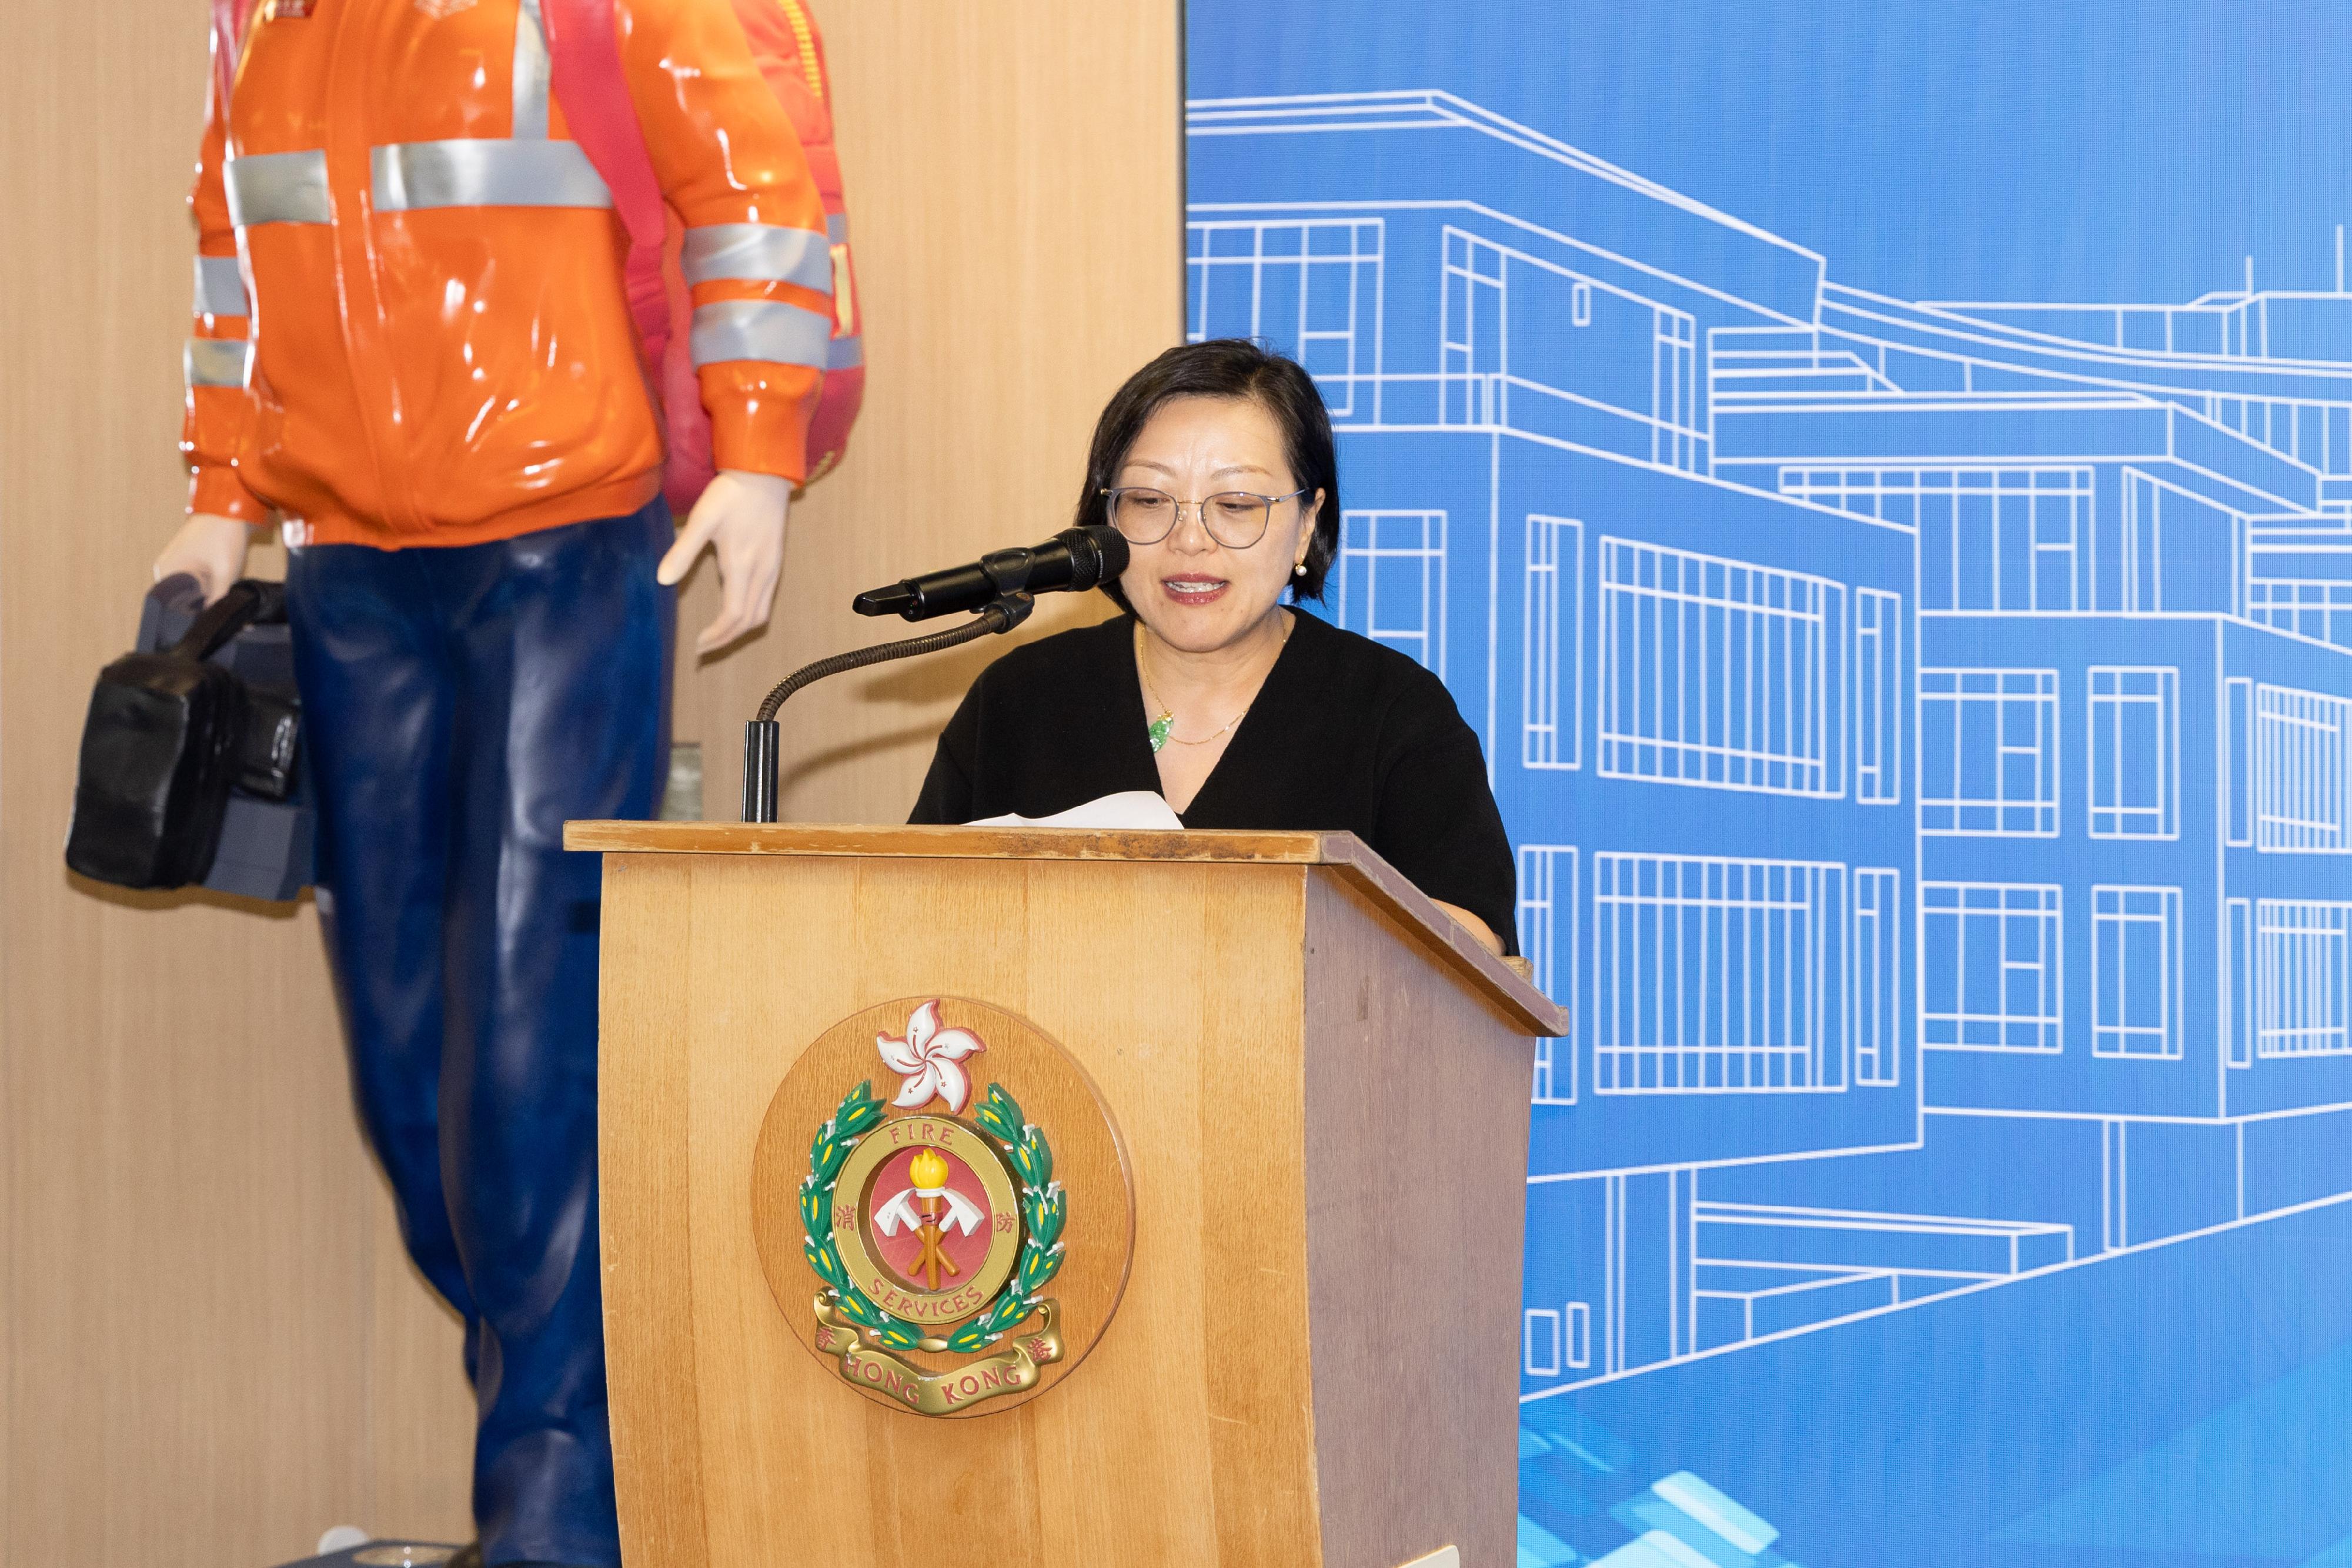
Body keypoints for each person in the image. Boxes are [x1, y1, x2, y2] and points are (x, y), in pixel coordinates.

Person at [148, 1, 834, 1562]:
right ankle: (584, 1429)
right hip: (349, 576)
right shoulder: (264, 25)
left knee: (531, 1055)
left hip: (562, 551)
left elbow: (750, 183)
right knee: (407, 1070)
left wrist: (759, 449)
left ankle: (555, 1515)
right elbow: (231, 254)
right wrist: (217, 493)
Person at [910, 338, 1517, 957]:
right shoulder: (1022, 698)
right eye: (1149, 501)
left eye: (1234, 504)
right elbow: (912, 914)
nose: (1189, 541)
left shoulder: (1391, 710)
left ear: (1308, 522)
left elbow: (1473, 945)